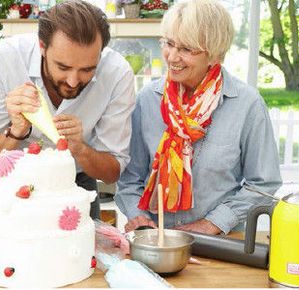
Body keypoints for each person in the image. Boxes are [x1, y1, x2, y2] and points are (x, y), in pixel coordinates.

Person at [115, 0, 282, 235]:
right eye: (169, 44)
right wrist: (139, 218)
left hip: (220, 241)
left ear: (214, 54)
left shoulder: (247, 104)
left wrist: (211, 224)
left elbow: (263, 183)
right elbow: (130, 179)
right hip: (157, 240)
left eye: (186, 49)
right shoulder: (148, 99)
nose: (172, 57)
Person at [0, 0, 136, 219]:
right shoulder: (3, 59)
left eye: (87, 69)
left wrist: (80, 148)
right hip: (13, 187)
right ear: (42, 46)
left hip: (77, 185)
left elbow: (112, 173)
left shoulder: (117, 73)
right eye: (63, 67)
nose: (73, 80)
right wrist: (16, 130)